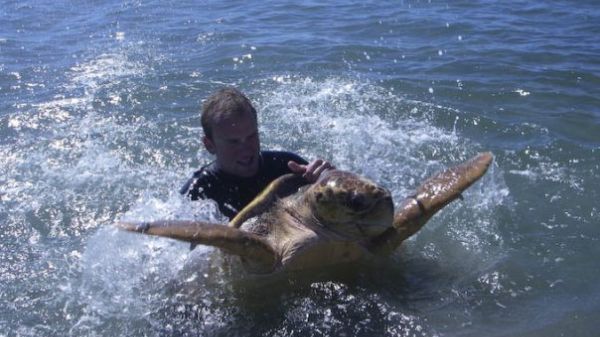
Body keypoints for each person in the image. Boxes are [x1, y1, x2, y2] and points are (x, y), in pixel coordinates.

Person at [180, 87, 334, 219]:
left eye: (251, 136)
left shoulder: (287, 167)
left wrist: (328, 179)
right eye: (233, 142)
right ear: (210, 145)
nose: (246, 148)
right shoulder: (197, 193)